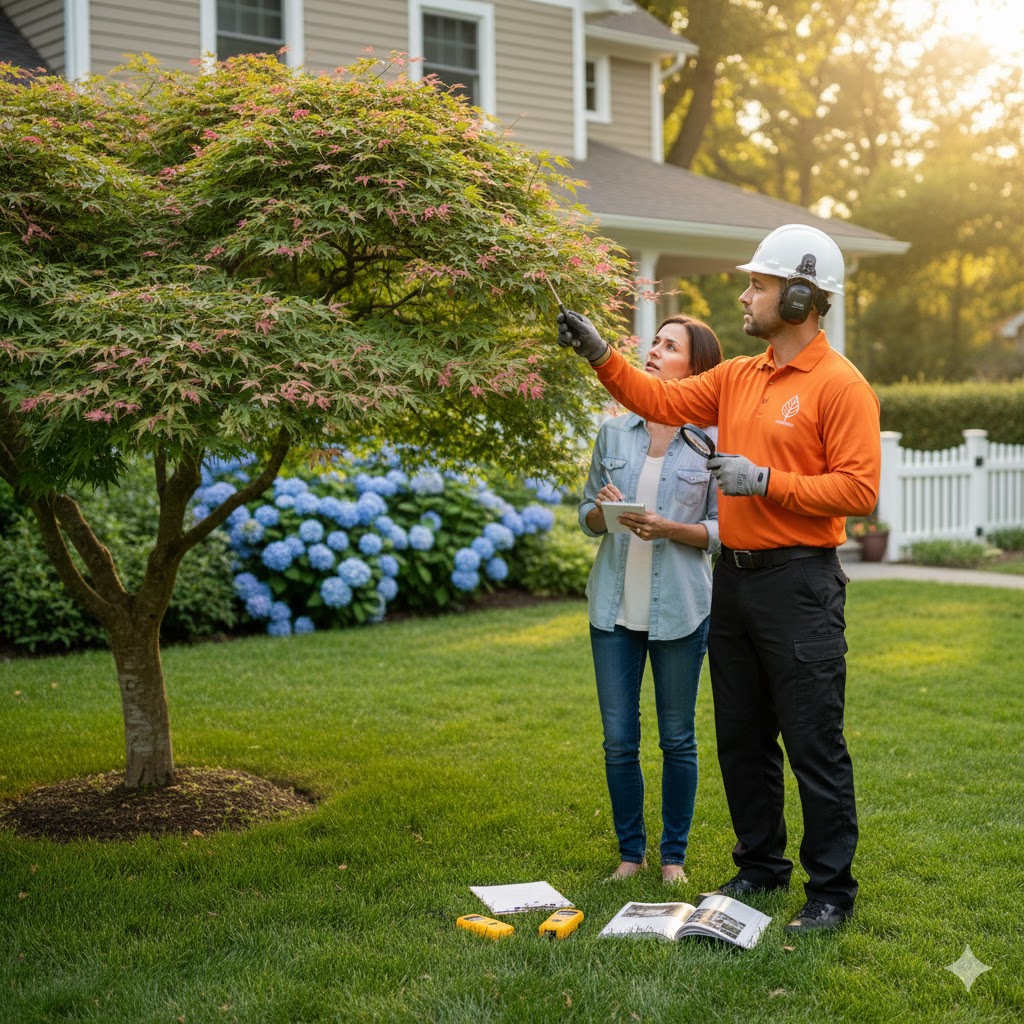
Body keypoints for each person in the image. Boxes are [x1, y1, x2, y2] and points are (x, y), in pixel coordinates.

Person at [557, 224, 880, 933]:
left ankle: (830, 892)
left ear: (799, 297)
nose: (745, 294)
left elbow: (858, 490)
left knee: (812, 740)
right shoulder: (738, 375)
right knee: (740, 736)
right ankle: (761, 866)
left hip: (800, 586)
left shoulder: (840, 386)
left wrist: (767, 482)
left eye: (759, 285)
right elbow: (661, 401)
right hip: (733, 583)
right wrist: (600, 354)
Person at [579, 315, 723, 885]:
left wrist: (670, 529)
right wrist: (605, 511)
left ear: (696, 368)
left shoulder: (713, 442)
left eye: (670, 346)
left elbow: (722, 530)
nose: (654, 351)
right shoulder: (614, 431)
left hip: (682, 610)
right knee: (619, 738)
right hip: (612, 608)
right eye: (655, 342)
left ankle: (672, 861)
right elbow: (588, 516)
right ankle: (630, 855)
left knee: (678, 737)